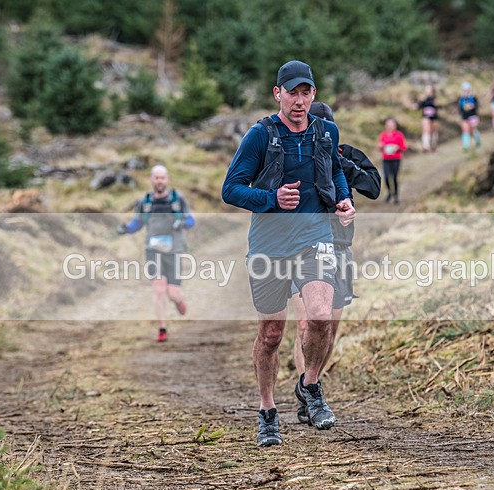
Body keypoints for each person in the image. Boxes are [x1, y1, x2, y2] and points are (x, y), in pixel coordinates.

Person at [221, 60, 356, 447]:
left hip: (315, 237)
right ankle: (267, 411)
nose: (299, 101)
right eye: (292, 93)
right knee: (271, 333)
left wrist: (343, 200)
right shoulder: (259, 136)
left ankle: (309, 385)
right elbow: (231, 190)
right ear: (277, 94)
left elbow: (335, 172)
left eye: (306, 93)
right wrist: (272, 199)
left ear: (314, 95)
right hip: (269, 243)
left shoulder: (326, 131)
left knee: (319, 318)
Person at [290, 102, 381, 425]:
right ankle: (309, 397)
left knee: (329, 329)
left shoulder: (347, 154)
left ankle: (308, 383)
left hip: (340, 248)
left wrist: (339, 164)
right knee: (308, 323)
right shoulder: (294, 156)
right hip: (304, 248)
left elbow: (373, 187)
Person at [117, 164, 195, 342]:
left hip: (174, 250)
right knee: (159, 289)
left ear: (167, 179)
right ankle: (162, 329)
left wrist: (181, 223)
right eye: (156, 177)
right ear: (152, 180)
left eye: (162, 177)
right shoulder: (145, 202)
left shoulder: (177, 199)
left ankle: (178, 300)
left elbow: (191, 220)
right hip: (153, 251)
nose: (159, 181)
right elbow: (138, 223)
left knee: (172, 293)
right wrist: (126, 229)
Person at [377, 118, 407, 204]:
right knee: (386, 177)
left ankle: (396, 195)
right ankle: (390, 192)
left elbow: (404, 147)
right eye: (388, 125)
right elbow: (379, 146)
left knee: (394, 177)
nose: (390, 126)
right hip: (386, 159)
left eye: (391, 125)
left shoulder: (399, 135)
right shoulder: (383, 135)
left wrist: (397, 147)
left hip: (396, 159)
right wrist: (380, 146)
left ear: (395, 126)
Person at [458, 81, 481, 151]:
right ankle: (466, 146)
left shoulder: (473, 98)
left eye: (467, 90)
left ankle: (477, 142)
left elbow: (477, 106)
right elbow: (460, 109)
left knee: (473, 130)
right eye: (465, 90)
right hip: (464, 117)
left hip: (473, 116)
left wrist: (472, 106)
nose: (466, 91)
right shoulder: (461, 99)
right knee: (465, 131)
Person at [416, 85, 439, 152]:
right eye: (427, 91)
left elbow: (437, 106)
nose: (428, 93)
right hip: (426, 117)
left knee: (433, 132)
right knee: (426, 131)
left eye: (430, 91)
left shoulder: (434, 100)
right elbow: (418, 106)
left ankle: (433, 146)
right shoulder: (424, 100)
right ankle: (426, 146)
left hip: (433, 118)